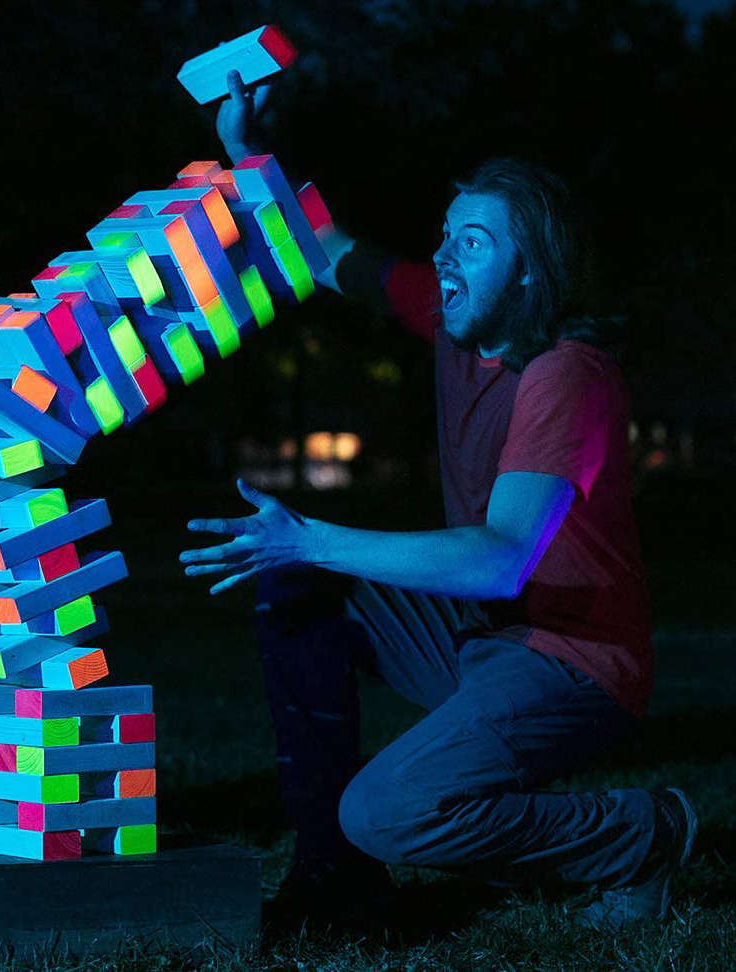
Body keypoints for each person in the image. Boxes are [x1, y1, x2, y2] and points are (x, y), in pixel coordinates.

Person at [179, 70, 697, 931]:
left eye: (475, 244)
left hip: (573, 661)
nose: (446, 258)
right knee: (302, 595)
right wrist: (245, 148)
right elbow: (318, 249)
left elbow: (499, 560)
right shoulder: (459, 320)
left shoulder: (568, 375)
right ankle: (332, 877)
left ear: (532, 274)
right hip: (483, 636)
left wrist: (308, 536)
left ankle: (640, 833)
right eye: (447, 237)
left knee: (386, 812)